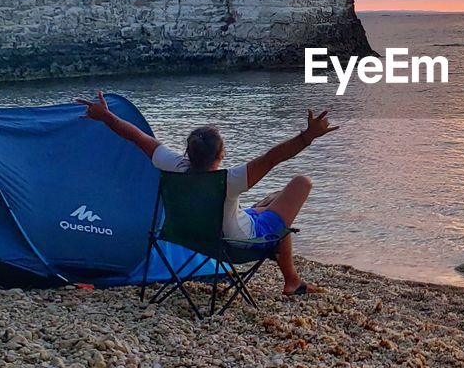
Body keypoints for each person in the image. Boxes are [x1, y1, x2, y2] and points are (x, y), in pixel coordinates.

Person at [76, 91, 337, 295]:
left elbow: (135, 136)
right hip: (234, 245)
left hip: (189, 238)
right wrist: (308, 137)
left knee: (271, 202)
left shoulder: (171, 165)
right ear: (221, 155)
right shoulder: (230, 180)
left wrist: (106, 116)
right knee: (301, 183)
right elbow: (272, 158)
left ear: (188, 152)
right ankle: (292, 281)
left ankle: (291, 278)